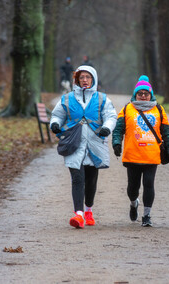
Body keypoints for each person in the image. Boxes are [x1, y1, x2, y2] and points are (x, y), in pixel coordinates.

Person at [50, 65, 117, 229]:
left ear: (93, 79)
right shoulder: (67, 98)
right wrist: (55, 124)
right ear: (77, 80)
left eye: (88, 77)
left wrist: (107, 127)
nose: (85, 80)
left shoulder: (102, 99)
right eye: (81, 78)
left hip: (95, 143)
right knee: (77, 179)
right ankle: (78, 215)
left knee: (91, 180)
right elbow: (58, 115)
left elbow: (110, 116)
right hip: (74, 142)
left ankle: (88, 210)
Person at [112, 75, 169, 227]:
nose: (143, 96)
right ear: (135, 94)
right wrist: (116, 143)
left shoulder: (158, 109)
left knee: (149, 184)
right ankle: (134, 203)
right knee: (132, 188)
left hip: (151, 155)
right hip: (132, 154)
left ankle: (147, 216)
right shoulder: (127, 108)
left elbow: (167, 131)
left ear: (150, 95)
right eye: (140, 93)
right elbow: (118, 129)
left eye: (146, 93)